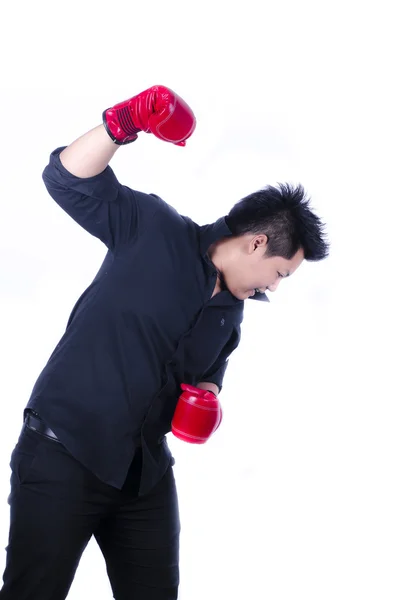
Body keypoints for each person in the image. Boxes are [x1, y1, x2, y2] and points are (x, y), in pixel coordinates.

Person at [0, 85, 329, 600]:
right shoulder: (152, 229)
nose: (276, 286)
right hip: (64, 454)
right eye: (280, 272)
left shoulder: (232, 312)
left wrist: (208, 394)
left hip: (143, 474)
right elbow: (65, 179)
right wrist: (121, 123)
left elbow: (209, 369)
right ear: (257, 242)